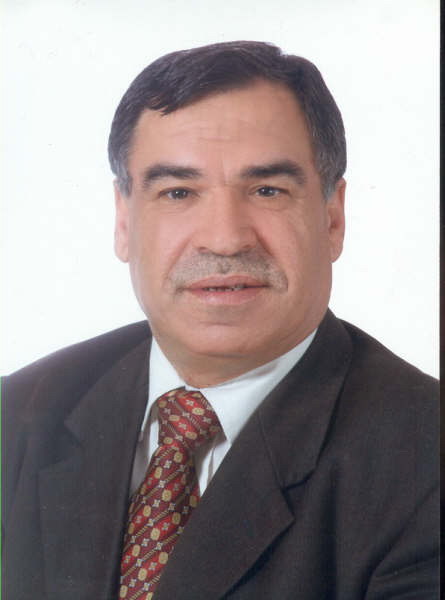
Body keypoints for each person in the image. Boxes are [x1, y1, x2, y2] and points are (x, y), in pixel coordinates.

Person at [2, 41, 438, 600]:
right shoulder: (19, 415)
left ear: (332, 218)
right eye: (178, 192)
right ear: (124, 222)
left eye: (267, 190)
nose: (225, 238)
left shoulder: (426, 462)